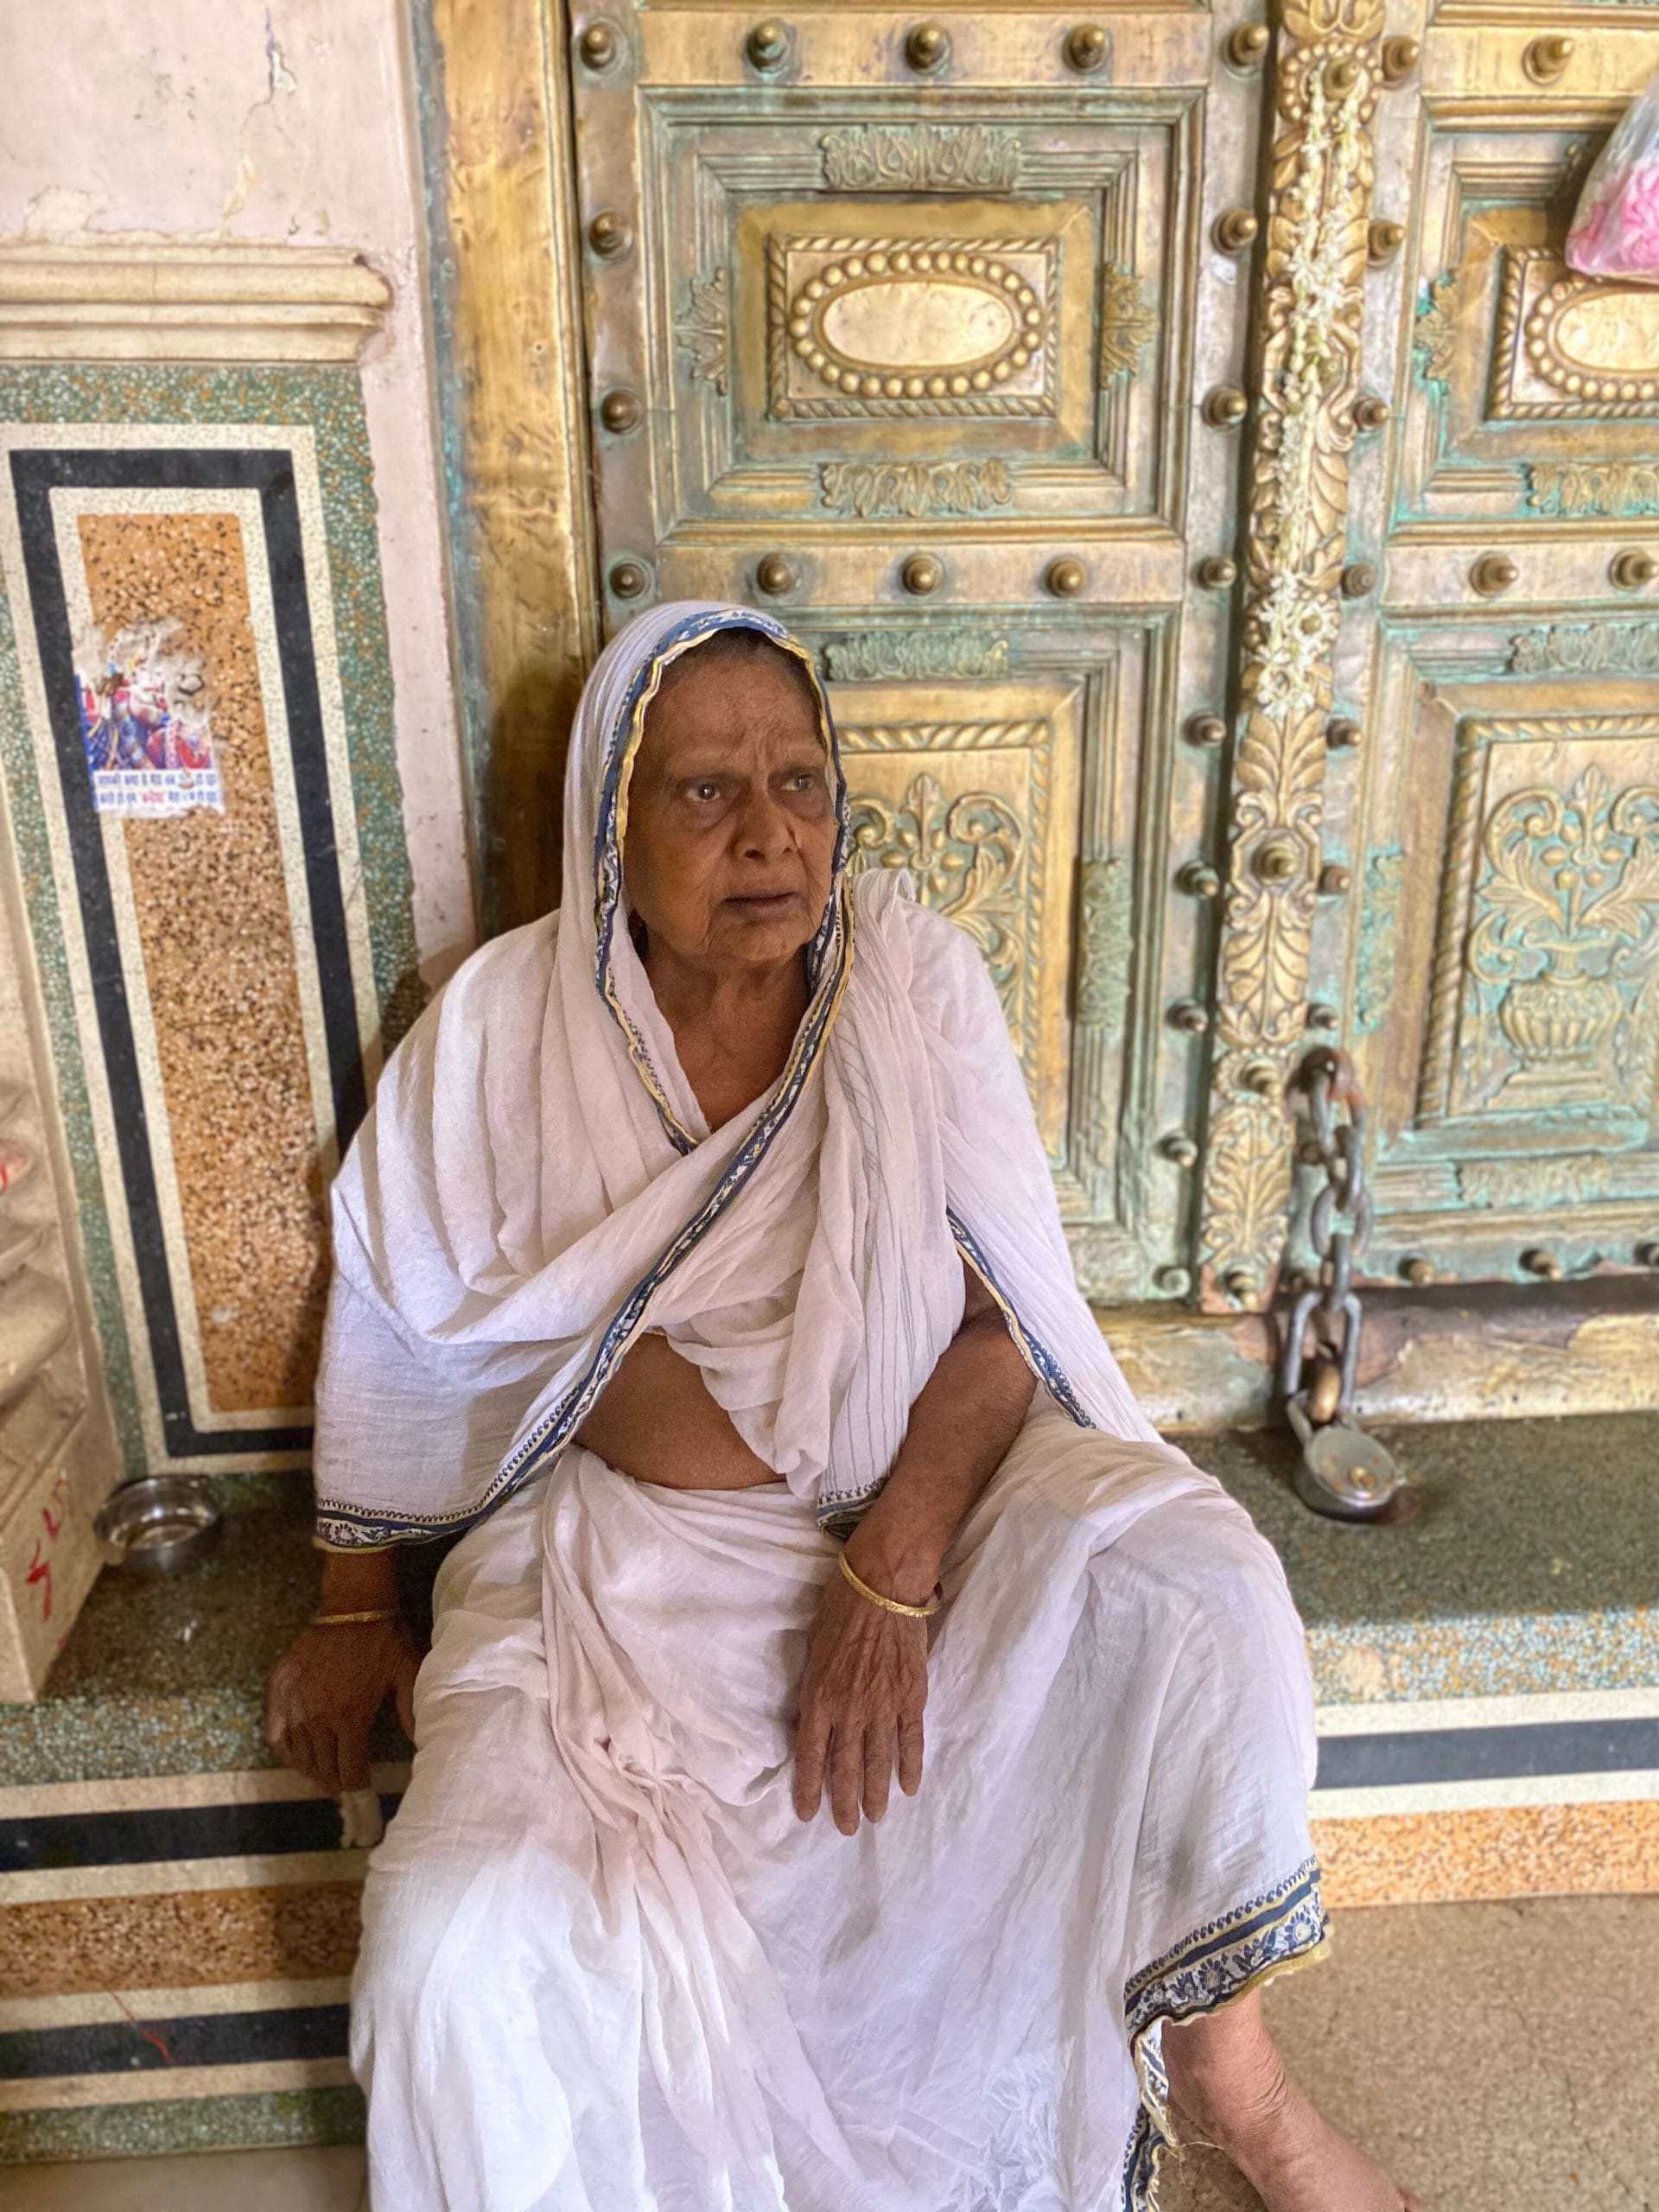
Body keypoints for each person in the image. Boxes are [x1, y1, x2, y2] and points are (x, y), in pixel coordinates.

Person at [266, 602, 1425, 2212]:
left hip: (924, 1496)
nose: (769, 835)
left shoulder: (907, 977)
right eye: (704, 792)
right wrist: (346, 1600)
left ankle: (1240, 2082)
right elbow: (404, 1312)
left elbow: (1002, 1320)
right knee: (452, 1949)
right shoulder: (505, 1027)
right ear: (611, 810)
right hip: (625, 1567)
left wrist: (896, 1562)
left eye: (801, 784)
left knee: (1199, 1583)